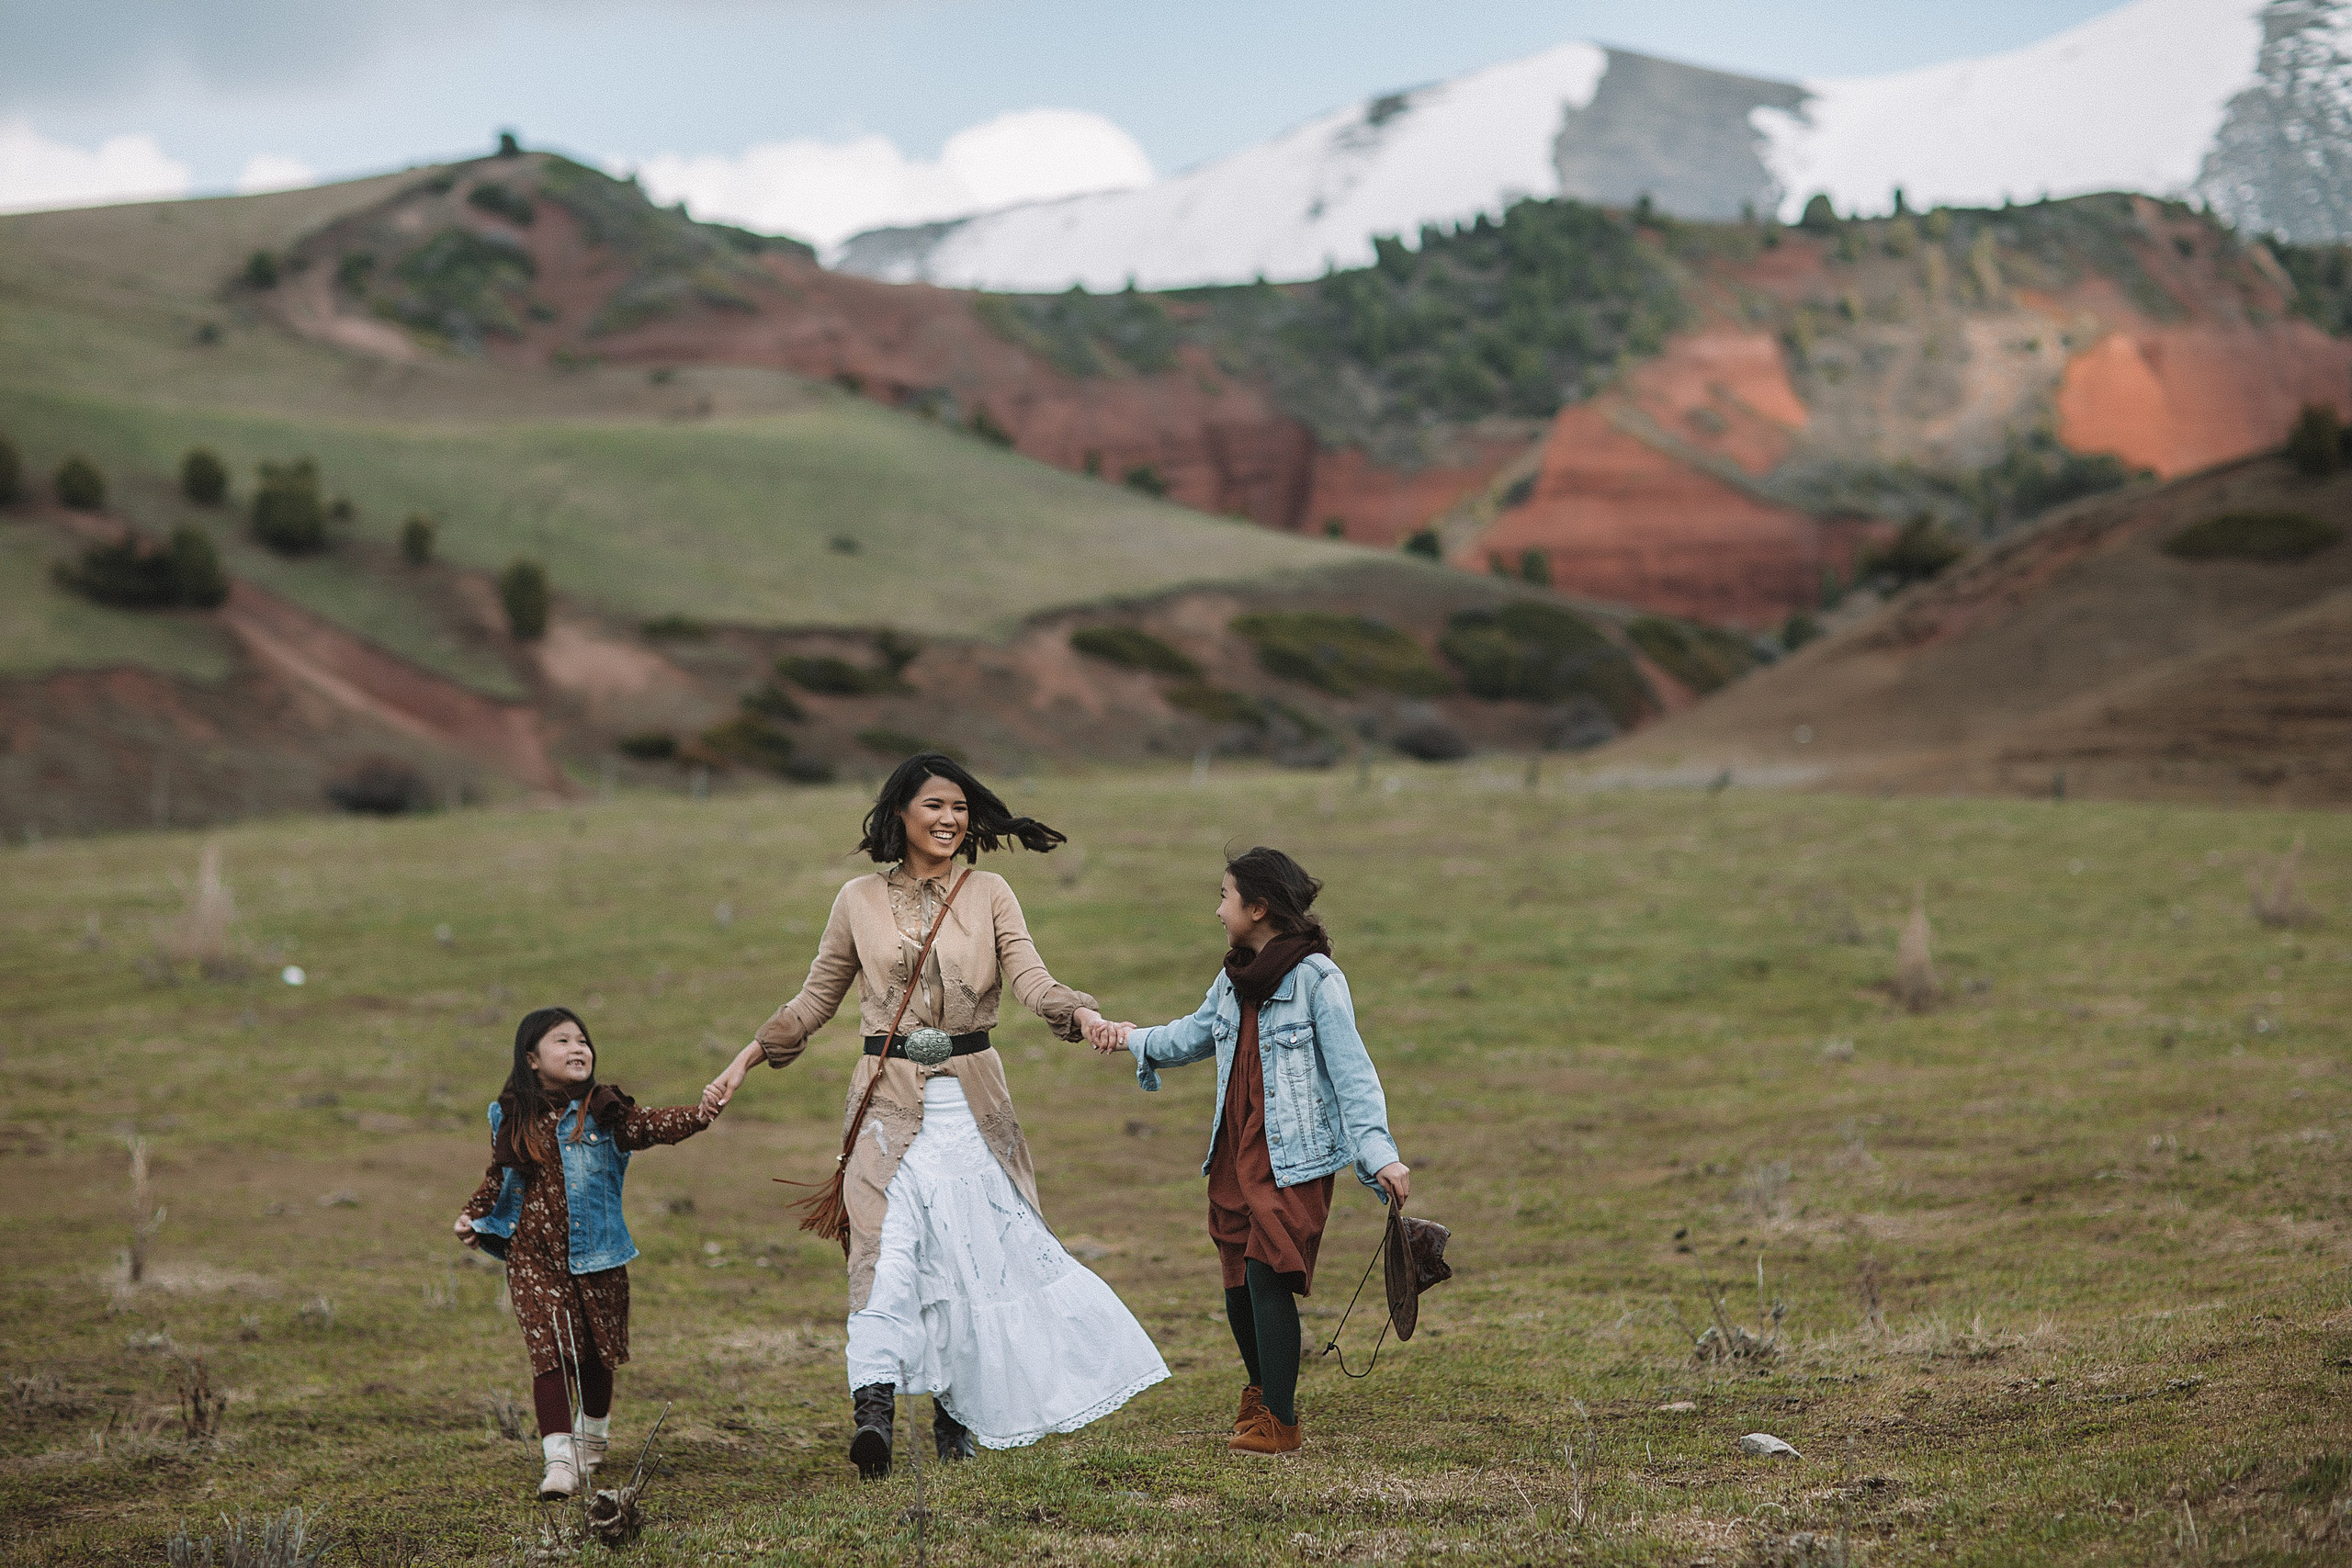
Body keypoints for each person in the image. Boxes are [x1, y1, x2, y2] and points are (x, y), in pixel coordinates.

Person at [705, 754, 1166, 1478]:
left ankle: (958, 1414)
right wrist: (744, 1059)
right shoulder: (855, 898)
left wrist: (1080, 1012)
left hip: (975, 1106)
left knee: (972, 1254)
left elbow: (1031, 978)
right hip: (885, 1105)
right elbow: (814, 1000)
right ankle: (874, 1414)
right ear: (900, 814)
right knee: (885, 1254)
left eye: (959, 806)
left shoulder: (990, 892)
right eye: (934, 806)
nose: (950, 819)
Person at [1088, 846, 1408, 1456]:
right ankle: (1260, 1394)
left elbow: (1353, 1074)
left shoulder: (1317, 980)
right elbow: (1193, 1033)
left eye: (1226, 897)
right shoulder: (1234, 976)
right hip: (1236, 1149)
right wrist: (1133, 1038)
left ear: (1258, 907)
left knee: (1267, 1271)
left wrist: (1379, 1154)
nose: (1217, 909)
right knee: (1237, 1276)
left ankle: (1281, 1423)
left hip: (1292, 1156)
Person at [454, 1007, 718, 1499]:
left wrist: (699, 1115)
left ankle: (591, 1443)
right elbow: (499, 1176)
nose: (578, 1049)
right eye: (563, 1041)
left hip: (599, 1257)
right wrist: (474, 1215)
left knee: (598, 1356)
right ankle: (559, 1461)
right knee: (548, 1353)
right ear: (532, 1058)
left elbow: (652, 1126)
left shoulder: (605, 1110)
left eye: (583, 1040)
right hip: (533, 1257)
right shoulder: (510, 1114)